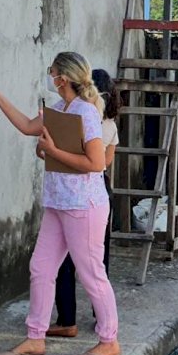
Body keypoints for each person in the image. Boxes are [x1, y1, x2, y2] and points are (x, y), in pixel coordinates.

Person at [0, 51, 120, 355]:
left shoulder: (85, 113)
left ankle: (109, 340)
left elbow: (96, 163)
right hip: (58, 202)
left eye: (52, 71)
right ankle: (34, 337)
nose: (50, 76)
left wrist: (52, 149)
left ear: (63, 78)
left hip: (84, 205)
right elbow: (28, 126)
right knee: (41, 268)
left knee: (91, 274)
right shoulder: (60, 109)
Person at [47, 68, 120, 338]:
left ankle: (67, 319)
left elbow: (51, 152)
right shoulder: (109, 124)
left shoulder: (74, 118)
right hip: (100, 192)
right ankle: (99, 319)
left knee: (65, 263)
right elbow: (106, 163)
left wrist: (60, 154)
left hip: (74, 195)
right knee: (98, 262)